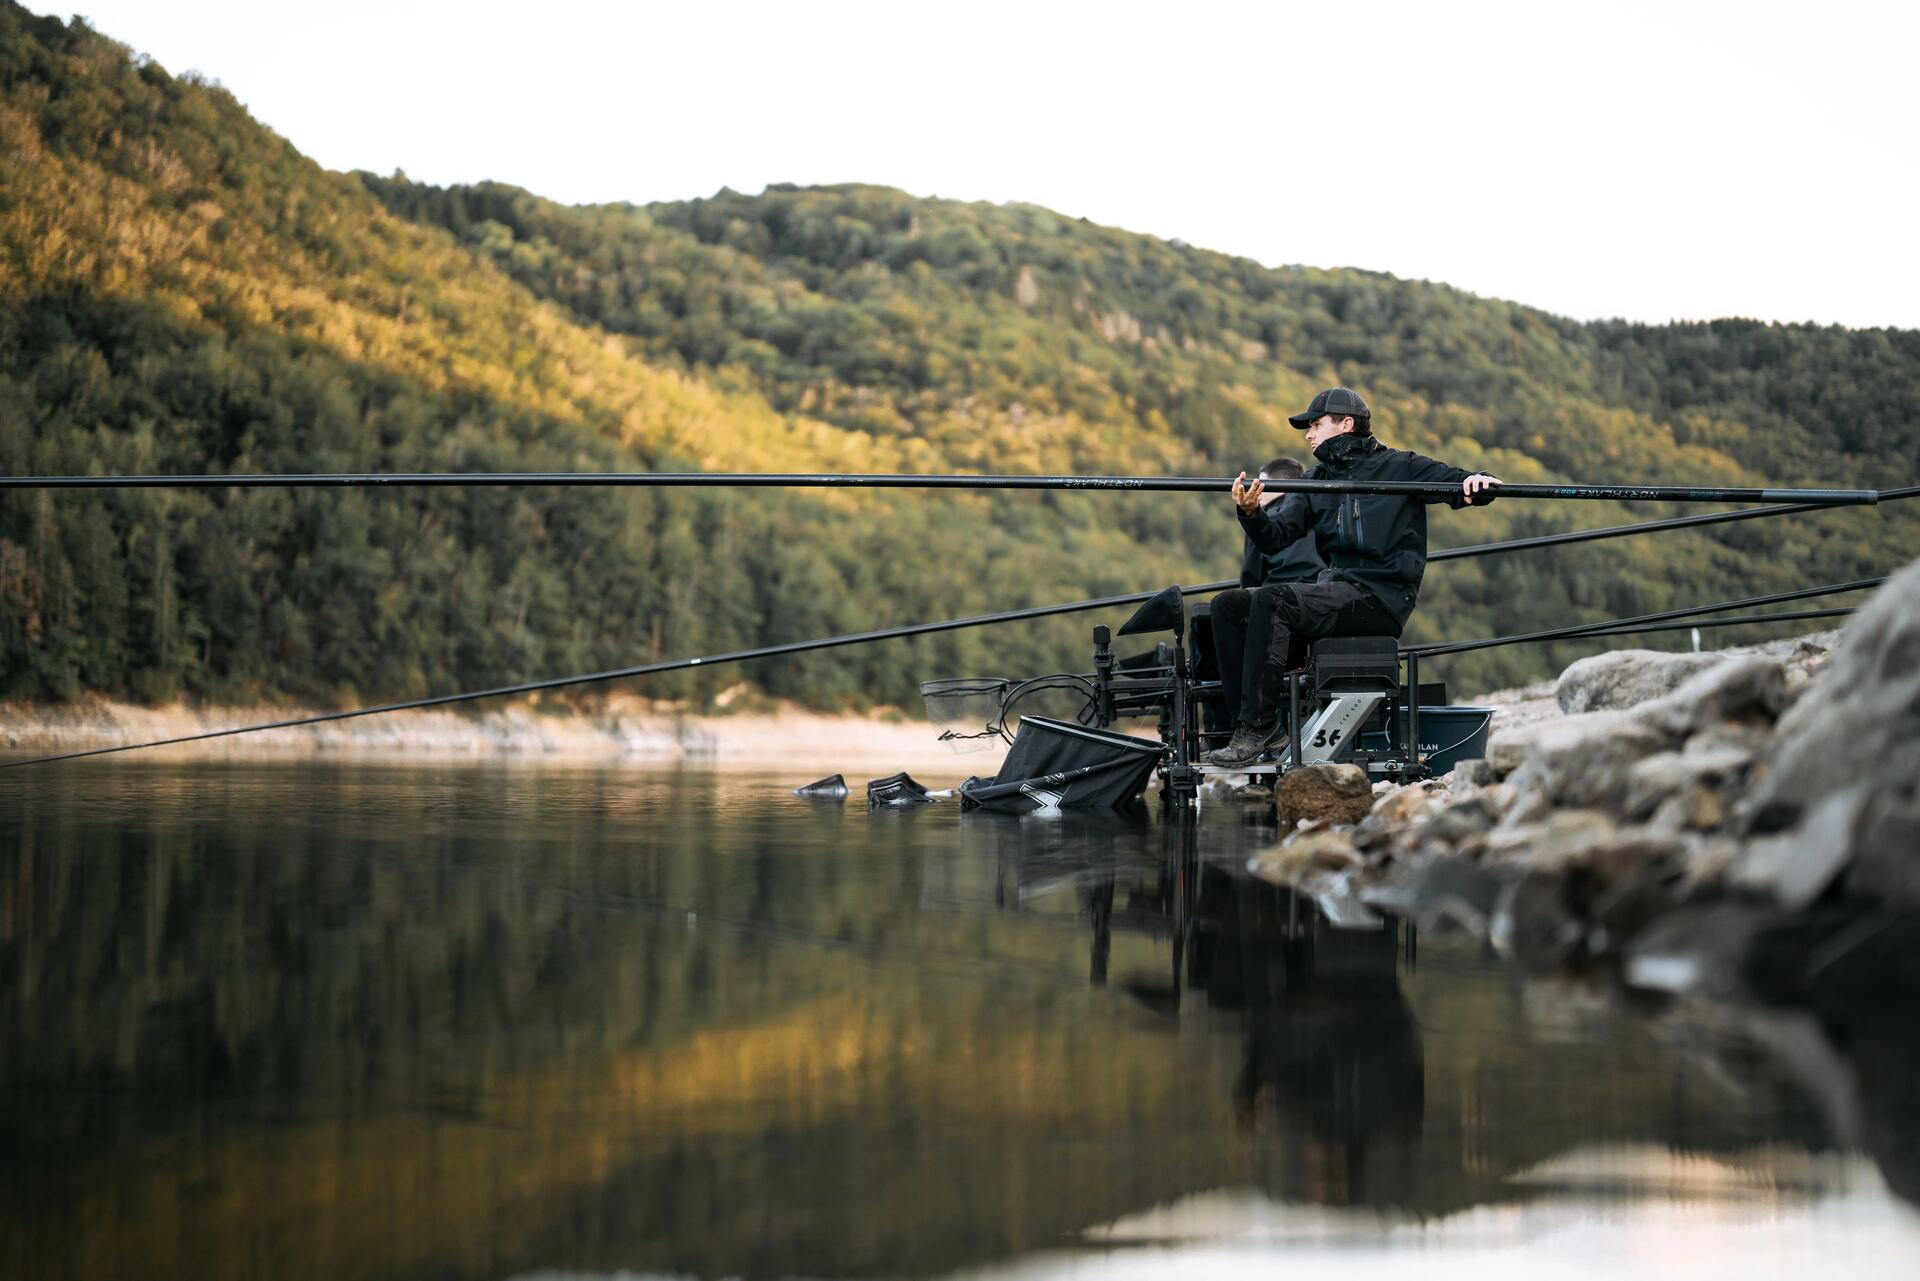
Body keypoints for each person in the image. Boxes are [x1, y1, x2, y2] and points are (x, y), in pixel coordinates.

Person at [1208, 386, 1500, 767]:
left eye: (1316, 425)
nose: (1309, 435)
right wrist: (1251, 514)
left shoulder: (1400, 467)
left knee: (1272, 600)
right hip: (1336, 590)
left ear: (1346, 424)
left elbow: (1461, 483)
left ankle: (1257, 727)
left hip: (1381, 598)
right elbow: (1275, 538)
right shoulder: (1315, 481)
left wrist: (1477, 484)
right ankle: (1248, 728)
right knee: (1227, 605)